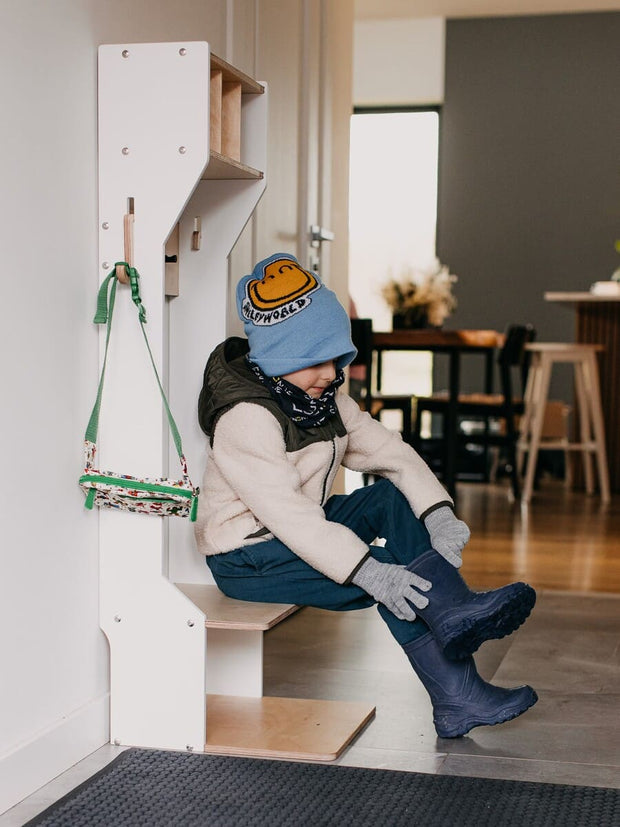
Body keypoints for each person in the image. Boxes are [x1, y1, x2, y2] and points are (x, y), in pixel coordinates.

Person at [195, 252, 538, 739]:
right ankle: (457, 688)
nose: (330, 372)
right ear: (277, 357)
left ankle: (453, 613)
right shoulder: (246, 418)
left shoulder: (325, 398)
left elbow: (390, 453)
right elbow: (291, 518)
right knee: (397, 580)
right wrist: (372, 572)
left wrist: (439, 514)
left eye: (337, 357)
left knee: (387, 501)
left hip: (300, 531)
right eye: (314, 360)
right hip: (249, 556)